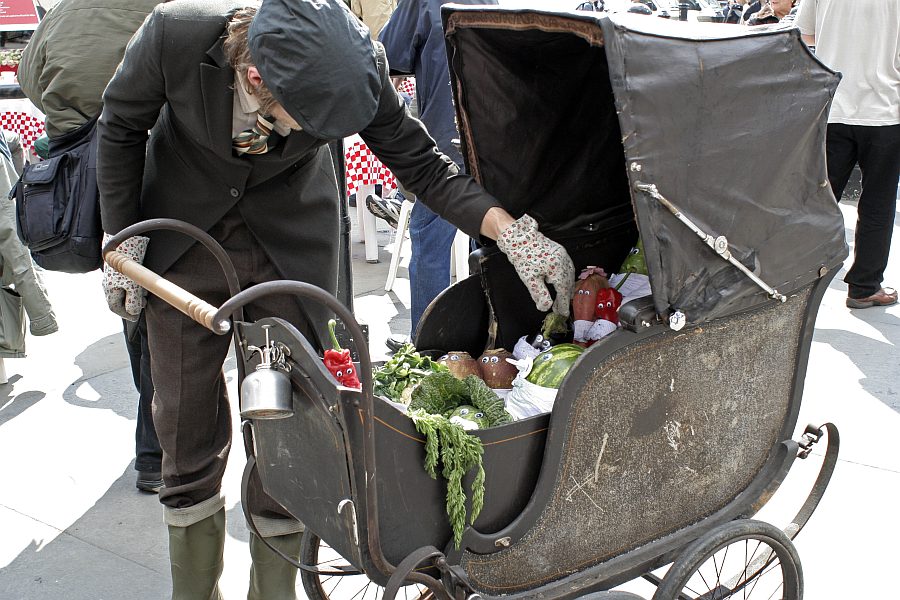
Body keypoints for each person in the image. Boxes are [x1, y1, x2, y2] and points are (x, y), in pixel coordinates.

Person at [96, 1, 574, 597]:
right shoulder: (176, 32)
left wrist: (513, 234)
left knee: (292, 429)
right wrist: (123, 242)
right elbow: (119, 125)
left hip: (290, 245)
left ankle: (274, 591)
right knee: (183, 420)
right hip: (182, 243)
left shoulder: (355, 65)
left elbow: (422, 165)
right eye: (311, 122)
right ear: (255, 77)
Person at [17, 0, 164, 493]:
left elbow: (29, 77)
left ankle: (155, 449)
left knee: (132, 293)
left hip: (88, 174)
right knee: (162, 297)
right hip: (153, 163)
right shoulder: (167, 9)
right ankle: (158, 448)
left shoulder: (64, 11)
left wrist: (76, 114)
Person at [378, 0, 498, 346]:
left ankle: (429, 346)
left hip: (448, 144)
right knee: (491, 246)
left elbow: (387, 69)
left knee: (433, 245)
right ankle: (491, 339)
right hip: (496, 142)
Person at [796, 0, 900, 309]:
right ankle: (864, 287)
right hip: (886, 110)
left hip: (833, 105)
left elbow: (805, 34)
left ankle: (794, 282)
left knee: (816, 202)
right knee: (878, 204)